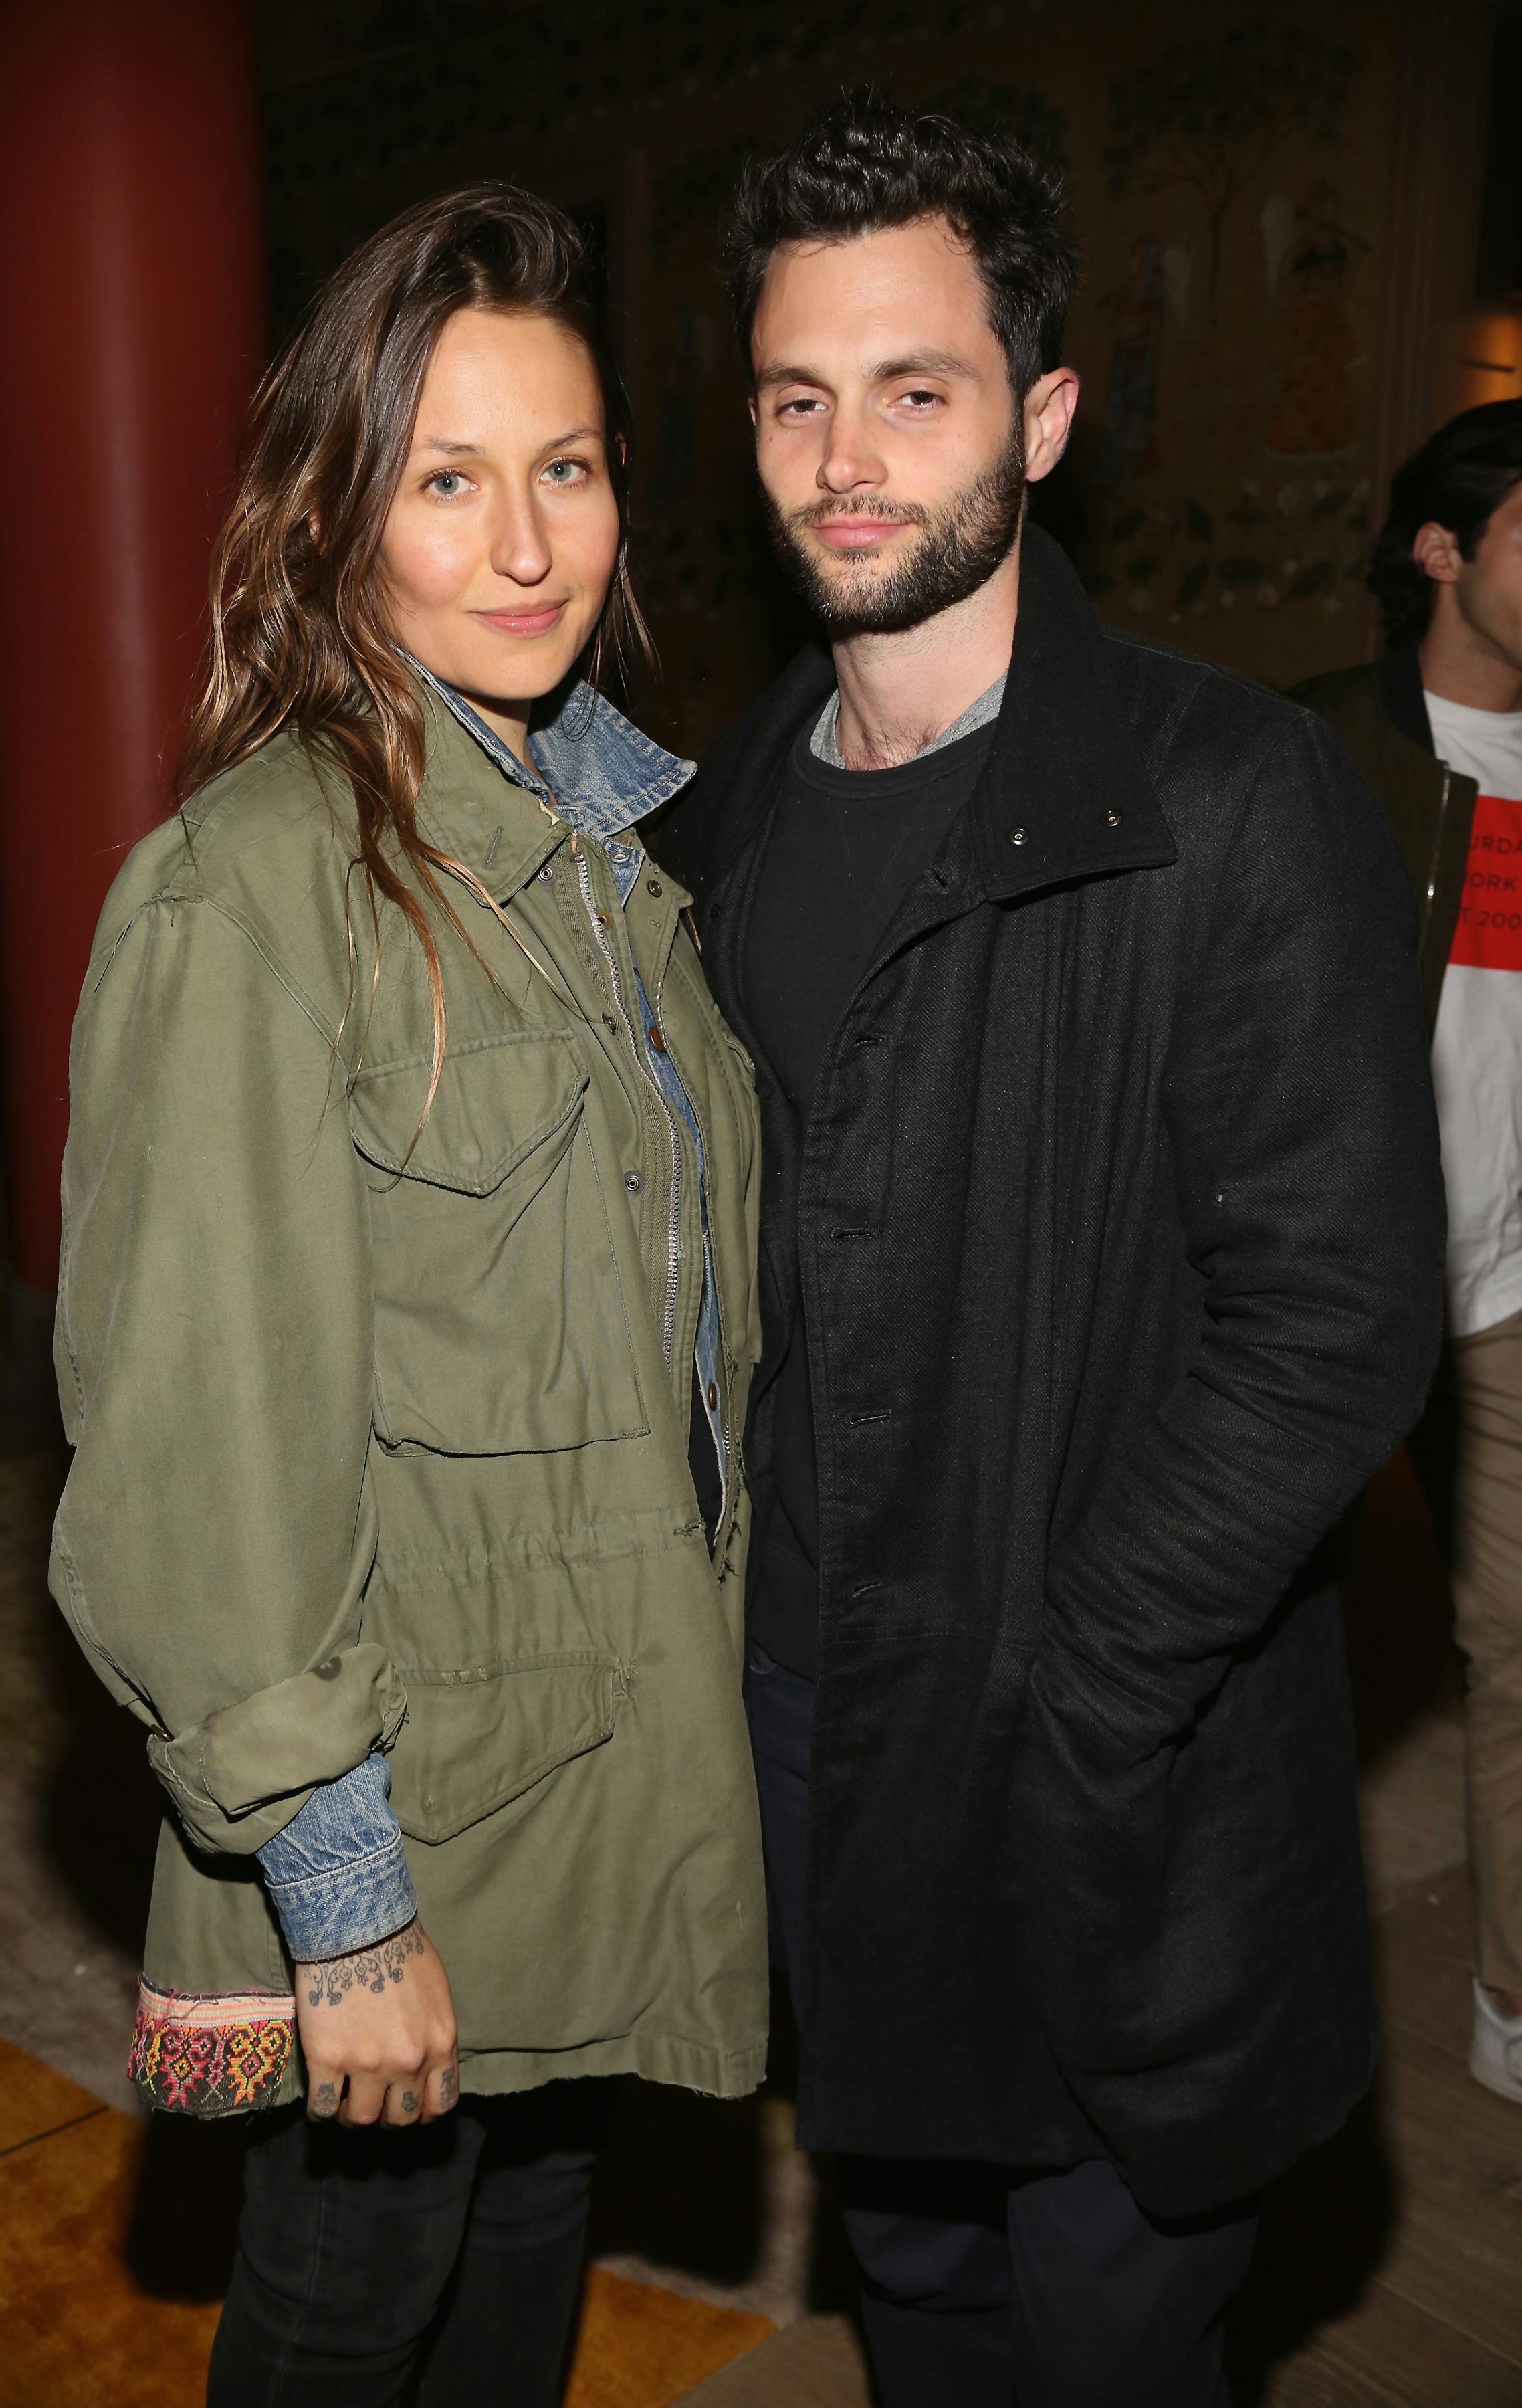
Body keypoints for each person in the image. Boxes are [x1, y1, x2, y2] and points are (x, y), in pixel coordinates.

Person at [655, 89, 1445, 2408]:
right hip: (811, 1735)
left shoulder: (1223, 802)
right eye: (799, 397)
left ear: (1048, 413)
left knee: (1113, 2331)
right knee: (915, 2288)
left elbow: (1340, 1322)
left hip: (1109, 1758)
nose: (847, 455)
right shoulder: (712, 822)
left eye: (918, 388)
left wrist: (1090, 1681)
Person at [49, 185, 767, 2405]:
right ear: (333, 513)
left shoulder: (606, 867)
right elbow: (191, 1455)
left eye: (563, 468)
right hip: (409, 1814)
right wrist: (340, 1896)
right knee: (348, 2314)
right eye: (446, 479)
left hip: (592, 1753)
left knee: (532, 2252)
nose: (526, 541)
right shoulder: (252, 896)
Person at [1295, 397, 1522, 2111]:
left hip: (1512, 1297)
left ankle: (1513, 2006)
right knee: (1266, 1659)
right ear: (1443, 549)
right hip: (1329, 1292)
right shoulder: (1317, 761)